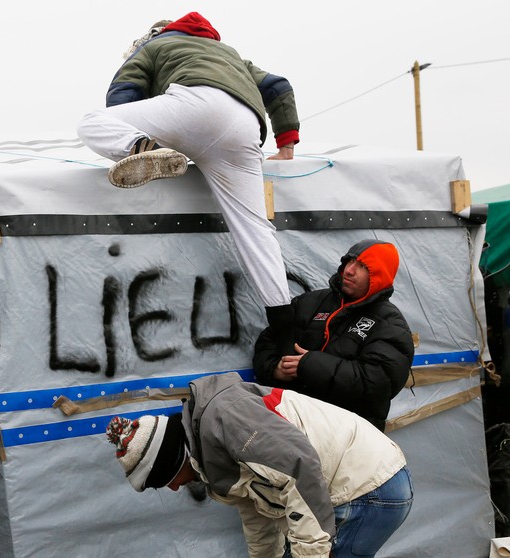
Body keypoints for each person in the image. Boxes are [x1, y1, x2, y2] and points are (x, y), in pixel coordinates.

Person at [76, 12, 300, 352]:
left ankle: (141, 149)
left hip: (193, 106)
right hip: (244, 126)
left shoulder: (154, 45)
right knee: (255, 232)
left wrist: (140, 131)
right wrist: (286, 146)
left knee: (91, 121)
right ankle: (286, 333)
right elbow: (278, 86)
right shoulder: (232, 55)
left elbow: (122, 93)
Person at [105, 372, 413, 558]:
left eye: (165, 480)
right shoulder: (210, 455)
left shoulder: (226, 420)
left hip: (368, 486)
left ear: (171, 460)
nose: (173, 488)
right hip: (353, 485)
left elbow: (299, 469)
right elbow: (257, 517)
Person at [253, 239, 414, 432]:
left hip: (348, 435)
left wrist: (310, 365)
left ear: (379, 276)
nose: (349, 270)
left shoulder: (390, 325)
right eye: (349, 261)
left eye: (362, 266)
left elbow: (378, 384)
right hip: (292, 427)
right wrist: (273, 368)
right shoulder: (310, 302)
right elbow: (270, 338)